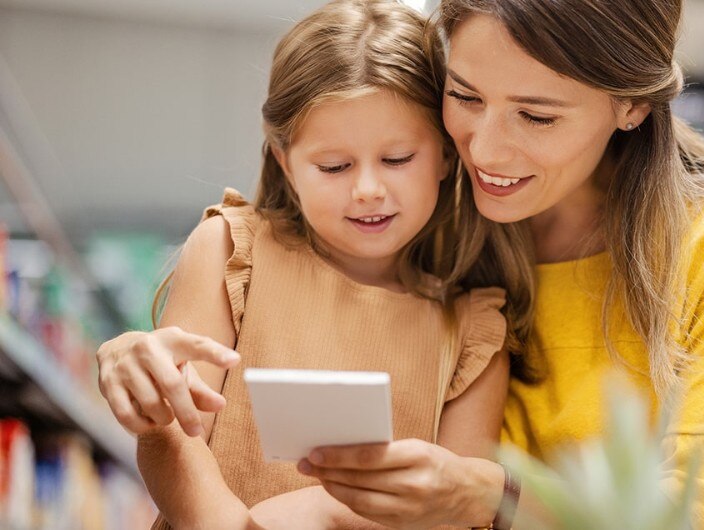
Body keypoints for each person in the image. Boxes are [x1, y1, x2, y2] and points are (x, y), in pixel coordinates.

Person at [94, 1, 516, 528]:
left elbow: (457, 511)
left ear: (448, 155)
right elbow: (173, 437)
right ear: (283, 159)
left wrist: (328, 512)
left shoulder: (474, 334)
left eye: (397, 159)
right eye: (334, 166)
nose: (367, 190)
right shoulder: (230, 251)